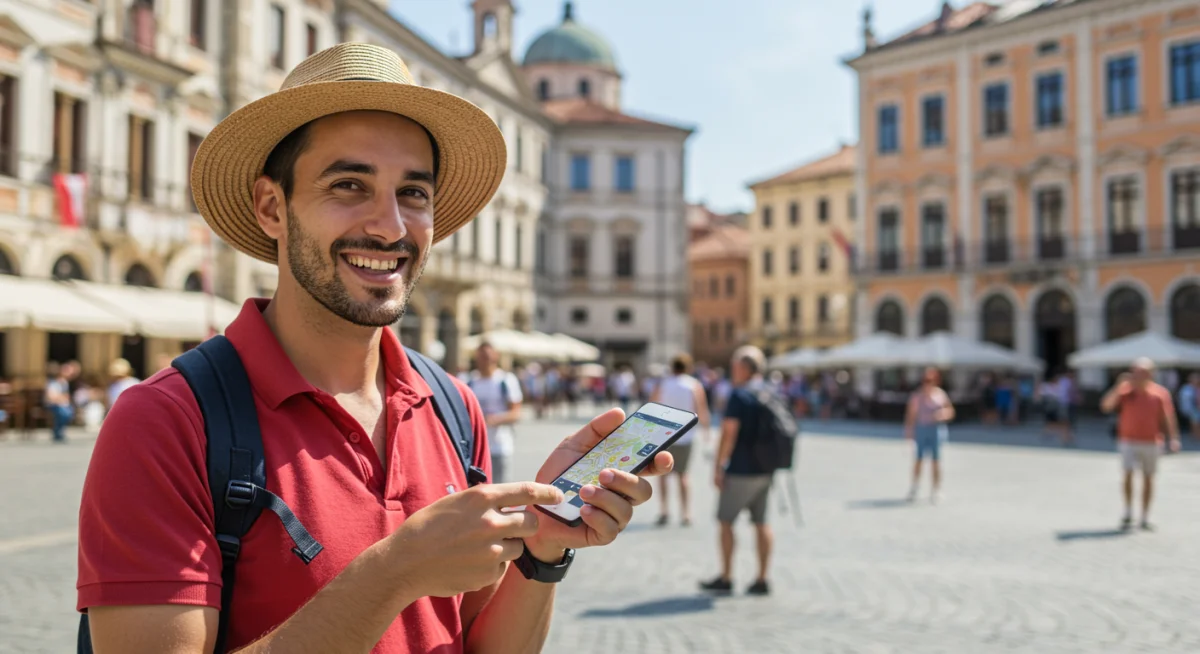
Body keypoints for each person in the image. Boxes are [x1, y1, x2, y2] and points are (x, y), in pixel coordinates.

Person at [76, 44, 672, 653]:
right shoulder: (164, 422)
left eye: (413, 193)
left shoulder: (452, 407)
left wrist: (545, 548)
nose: (390, 226)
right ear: (271, 207)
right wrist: (396, 571)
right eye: (349, 184)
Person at [701, 345, 774, 596]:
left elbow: (729, 433)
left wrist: (719, 466)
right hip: (766, 469)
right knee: (762, 522)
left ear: (744, 368)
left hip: (741, 469)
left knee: (725, 522)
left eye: (734, 366)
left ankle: (726, 576)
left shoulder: (739, 395)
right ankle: (762, 579)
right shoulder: (771, 392)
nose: (732, 370)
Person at [1101, 358, 1181, 531]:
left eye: (1140, 372)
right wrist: (1118, 386)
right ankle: (1128, 511)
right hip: (1128, 440)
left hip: (1152, 441)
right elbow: (1106, 406)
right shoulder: (1125, 391)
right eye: (1134, 371)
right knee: (1128, 474)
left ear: (1150, 374)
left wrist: (1173, 438)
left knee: (1148, 478)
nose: (1136, 375)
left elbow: (1168, 417)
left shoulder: (1160, 393)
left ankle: (1144, 516)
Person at [650, 354, 711, 527]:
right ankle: (686, 513)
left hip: (663, 436)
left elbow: (651, 405)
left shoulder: (662, 384)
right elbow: (701, 408)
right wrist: (706, 431)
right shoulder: (694, 385)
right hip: (686, 435)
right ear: (688, 367)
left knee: (662, 474)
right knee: (683, 475)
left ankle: (664, 510)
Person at [467, 342, 523, 483]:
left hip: (500, 446)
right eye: (480, 357)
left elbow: (516, 413)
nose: (484, 361)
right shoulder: (470, 381)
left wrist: (494, 419)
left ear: (495, 357)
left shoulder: (506, 380)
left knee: (500, 490)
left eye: (487, 357)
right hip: (474, 449)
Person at [904, 367, 955, 503]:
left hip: (936, 429)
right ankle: (915, 487)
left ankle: (936, 489)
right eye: (926, 380)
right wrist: (909, 431)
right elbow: (911, 415)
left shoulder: (940, 395)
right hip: (922, 428)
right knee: (919, 460)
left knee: (936, 461)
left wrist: (942, 414)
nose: (928, 383)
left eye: (931, 380)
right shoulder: (917, 396)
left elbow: (950, 410)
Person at [43, 361, 74, 443]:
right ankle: (57, 431)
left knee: (68, 411)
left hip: (62, 404)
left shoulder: (64, 382)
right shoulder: (51, 383)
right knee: (63, 412)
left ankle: (59, 430)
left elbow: (66, 396)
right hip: (52, 404)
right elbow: (50, 397)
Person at [1176, 373, 1200, 442]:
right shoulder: (1186, 388)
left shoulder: (1197, 388)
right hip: (1192, 408)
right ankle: (1195, 435)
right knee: (1194, 422)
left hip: (1196, 408)